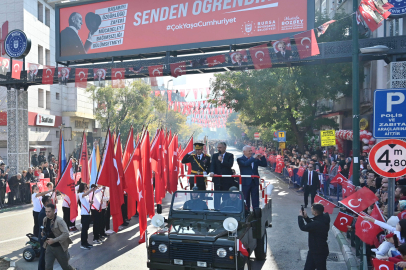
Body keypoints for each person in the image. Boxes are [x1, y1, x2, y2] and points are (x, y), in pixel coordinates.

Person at [41, 204, 75, 270]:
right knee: (48, 267)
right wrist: (43, 234)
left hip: (60, 248)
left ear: (54, 211)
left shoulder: (59, 220)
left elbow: (66, 234)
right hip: (49, 247)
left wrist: (54, 240)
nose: (47, 213)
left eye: (49, 212)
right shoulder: (45, 219)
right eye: (46, 211)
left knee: (65, 267)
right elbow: (44, 229)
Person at [298, 203, 330, 270]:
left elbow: (303, 227)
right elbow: (313, 226)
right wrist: (306, 218)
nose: (311, 210)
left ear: (315, 212)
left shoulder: (317, 223)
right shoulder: (323, 218)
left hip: (318, 252)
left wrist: (300, 217)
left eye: (312, 209)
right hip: (315, 250)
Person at [209, 142, 234, 209]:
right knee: (217, 196)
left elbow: (230, 165)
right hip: (217, 180)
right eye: (218, 147)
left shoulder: (230, 155)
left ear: (225, 148)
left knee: (226, 196)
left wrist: (222, 160)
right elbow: (212, 165)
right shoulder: (215, 155)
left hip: (226, 180)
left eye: (220, 147)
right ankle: (216, 209)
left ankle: (226, 208)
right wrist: (212, 172)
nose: (218, 149)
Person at [78, 183, 96, 250]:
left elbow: (86, 203)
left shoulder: (86, 196)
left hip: (88, 214)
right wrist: (91, 189)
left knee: (86, 229)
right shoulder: (80, 194)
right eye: (85, 187)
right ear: (82, 187)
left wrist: (90, 202)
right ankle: (83, 244)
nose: (86, 188)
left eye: (86, 187)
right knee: (84, 230)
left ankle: (86, 242)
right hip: (84, 214)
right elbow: (84, 194)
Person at [38, 196, 52, 270]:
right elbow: (42, 227)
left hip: (47, 237)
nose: (51, 201)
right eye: (50, 200)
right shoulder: (43, 213)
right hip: (44, 238)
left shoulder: (46, 211)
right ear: (46, 202)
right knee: (43, 256)